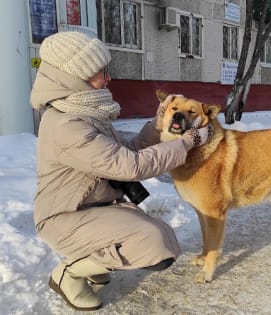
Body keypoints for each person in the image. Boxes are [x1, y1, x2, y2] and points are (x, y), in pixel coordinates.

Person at [30, 31, 211, 311]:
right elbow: (129, 165)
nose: (108, 77)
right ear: (77, 75)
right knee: (151, 244)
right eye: (101, 71)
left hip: (95, 209)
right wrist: (187, 143)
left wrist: (158, 123)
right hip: (64, 217)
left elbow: (128, 149)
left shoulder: (85, 113)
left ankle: (95, 263)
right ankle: (68, 272)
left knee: (165, 241)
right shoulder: (67, 125)